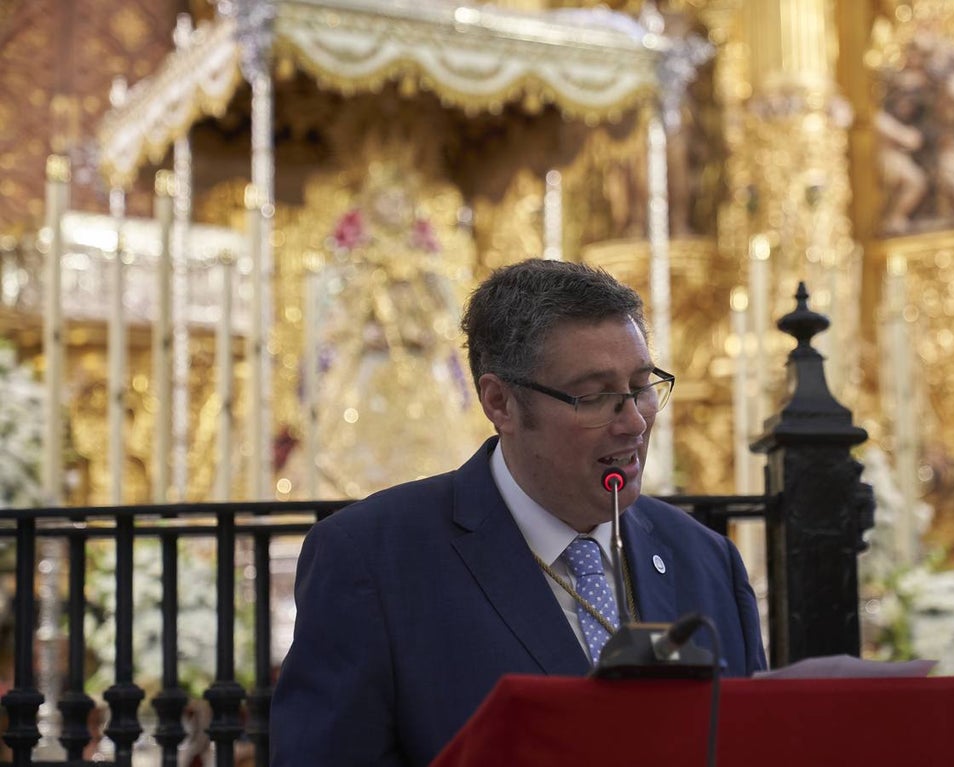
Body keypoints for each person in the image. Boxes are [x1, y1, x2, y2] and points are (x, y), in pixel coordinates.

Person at [269, 259, 767, 767]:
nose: (635, 422)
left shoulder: (706, 560)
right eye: (596, 397)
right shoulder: (373, 560)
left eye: (641, 387)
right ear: (500, 402)